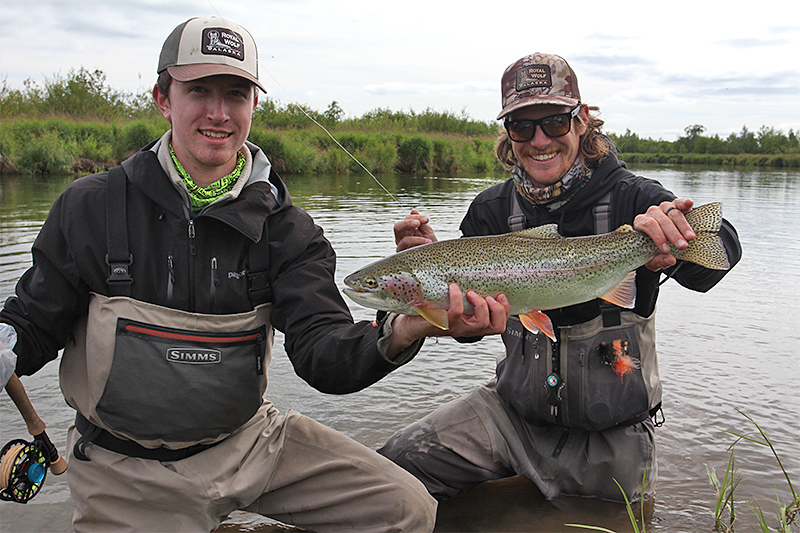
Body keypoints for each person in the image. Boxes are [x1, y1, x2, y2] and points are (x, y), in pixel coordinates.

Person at [0, 17, 509, 532]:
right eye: (198, 90)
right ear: (162, 98)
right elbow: (34, 322)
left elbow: (323, 354)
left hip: (250, 443)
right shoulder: (91, 206)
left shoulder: (289, 230)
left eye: (236, 94)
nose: (218, 113)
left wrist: (402, 329)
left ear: (253, 106)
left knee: (406, 508)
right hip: (123, 468)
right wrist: (7, 342)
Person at [378, 53, 742, 504]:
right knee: (389, 471)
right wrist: (435, 271)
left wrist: (675, 240)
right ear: (508, 134)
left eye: (554, 122)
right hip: (510, 416)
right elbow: (469, 329)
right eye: (522, 127)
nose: (539, 140)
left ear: (582, 120)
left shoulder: (634, 197)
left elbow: (723, 250)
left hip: (611, 434)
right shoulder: (489, 211)